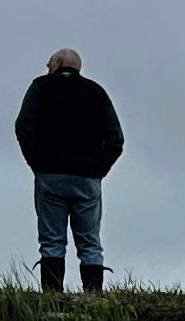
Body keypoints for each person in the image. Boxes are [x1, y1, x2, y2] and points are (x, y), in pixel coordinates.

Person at [13, 46, 124, 293]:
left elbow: (23, 127)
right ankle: (93, 295)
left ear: (58, 63)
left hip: (50, 175)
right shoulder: (97, 92)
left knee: (52, 241)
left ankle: (52, 295)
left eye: (50, 63)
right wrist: (100, 168)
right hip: (87, 177)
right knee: (90, 242)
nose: (47, 67)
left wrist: (36, 162)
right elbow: (116, 138)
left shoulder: (40, 87)